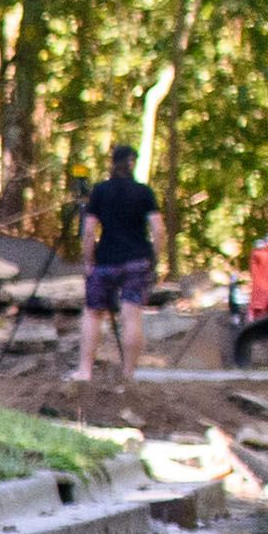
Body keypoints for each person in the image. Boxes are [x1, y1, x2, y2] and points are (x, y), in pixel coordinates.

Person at [67, 148, 162, 382]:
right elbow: (158, 230)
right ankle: (128, 374)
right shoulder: (144, 193)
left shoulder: (100, 191)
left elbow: (89, 231)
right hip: (137, 261)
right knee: (132, 316)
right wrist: (154, 260)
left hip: (105, 261)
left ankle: (85, 371)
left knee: (93, 314)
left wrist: (88, 261)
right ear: (133, 164)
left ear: (112, 163)